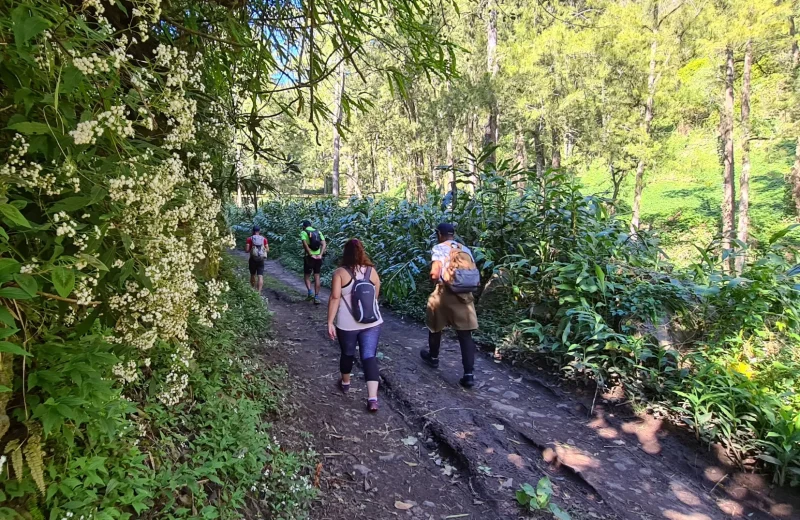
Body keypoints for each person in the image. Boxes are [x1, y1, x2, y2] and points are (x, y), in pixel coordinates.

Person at [327, 239, 383, 412]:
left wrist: (330, 321)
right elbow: (376, 293)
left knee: (348, 353)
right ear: (362, 252)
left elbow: (335, 297)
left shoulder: (340, 273)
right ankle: (372, 399)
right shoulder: (371, 271)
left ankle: (345, 383)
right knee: (369, 357)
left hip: (347, 323)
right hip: (372, 321)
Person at [420, 222, 479, 388]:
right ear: (453, 234)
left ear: (439, 234)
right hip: (465, 296)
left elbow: (434, 274)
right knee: (465, 336)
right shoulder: (465, 249)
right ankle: (468, 375)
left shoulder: (439, 248)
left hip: (445, 293)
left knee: (435, 326)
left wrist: (437, 280)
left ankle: (433, 357)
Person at [300, 220, 327, 304]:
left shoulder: (303, 232)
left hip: (309, 257)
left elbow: (305, 245)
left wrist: (310, 254)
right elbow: (324, 244)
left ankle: (310, 292)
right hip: (318, 257)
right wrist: (320, 254)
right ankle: (317, 297)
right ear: (311, 225)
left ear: (304, 226)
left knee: (307, 276)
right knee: (317, 276)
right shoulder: (318, 232)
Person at [245, 226, 269, 292]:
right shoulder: (264, 239)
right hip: (261, 259)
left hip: (253, 259)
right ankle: (259, 293)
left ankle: (253, 290)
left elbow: (247, 250)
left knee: (252, 275)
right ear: (259, 231)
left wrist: (252, 249)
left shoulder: (249, 239)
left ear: (253, 231)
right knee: (260, 276)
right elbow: (267, 249)